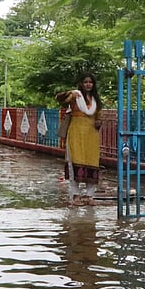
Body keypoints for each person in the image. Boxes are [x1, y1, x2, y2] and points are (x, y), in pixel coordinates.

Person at [55, 73, 103, 206]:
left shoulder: (95, 100)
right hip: (75, 133)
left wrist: (99, 121)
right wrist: (70, 92)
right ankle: (75, 196)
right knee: (75, 161)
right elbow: (58, 98)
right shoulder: (75, 96)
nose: (88, 84)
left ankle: (89, 196)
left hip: (91, 135)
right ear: (81, 84)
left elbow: (99, 116)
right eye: (85, 82)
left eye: (90, 82)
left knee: (92, 162)